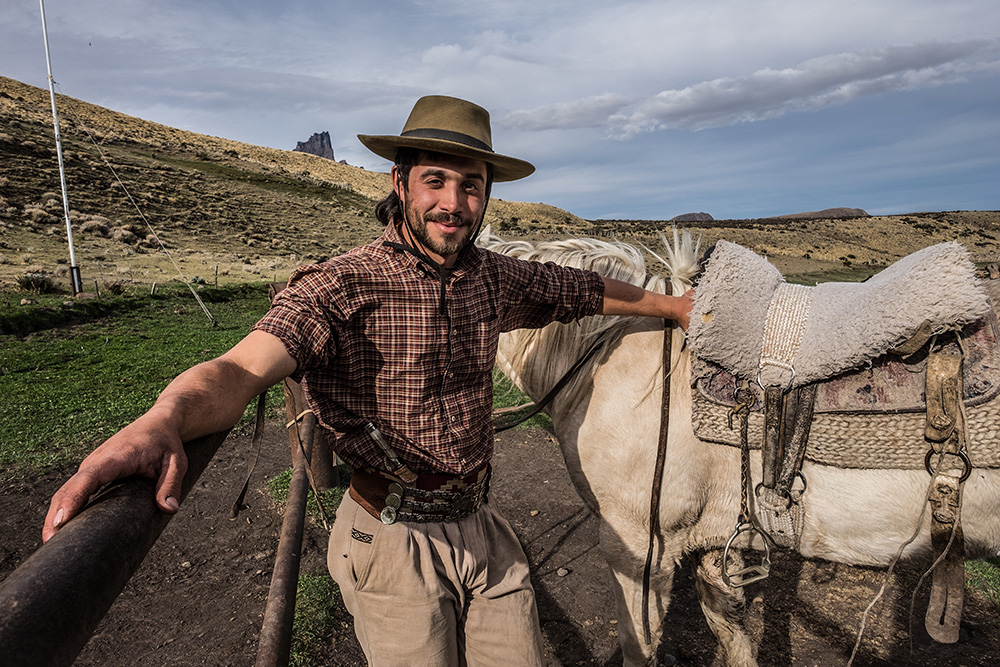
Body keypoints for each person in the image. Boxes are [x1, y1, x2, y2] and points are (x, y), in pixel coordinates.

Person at [43, 95, 693, 666]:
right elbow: (243, 366)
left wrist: (676, 307)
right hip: (392, 536)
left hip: (481, 523)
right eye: (435, 180)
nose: (453, 202)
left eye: (472, 185)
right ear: (400, 180)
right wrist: (166, 417)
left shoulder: (493, 276)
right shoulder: (343, 283)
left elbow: (581, 289)